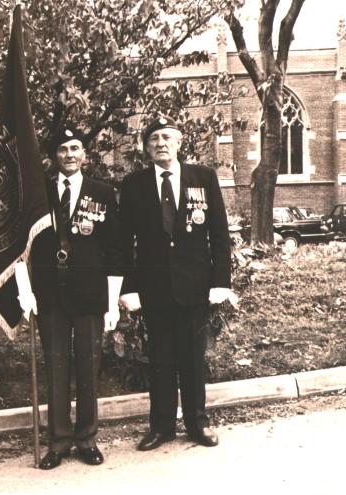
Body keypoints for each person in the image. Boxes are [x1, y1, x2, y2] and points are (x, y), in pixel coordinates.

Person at [118, 116, 235, 451]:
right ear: (146, 147)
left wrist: (220, 282)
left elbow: (219, 235)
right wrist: (129, 288)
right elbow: (125, 241)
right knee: (161, 359)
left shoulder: (203, 177)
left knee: (193, 360)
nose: (160, 143)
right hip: (154, 288)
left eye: (167, 137)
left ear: (180, 142)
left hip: (196, 287)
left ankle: (198, 423)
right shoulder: (134, 184)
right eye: (153, 138)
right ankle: (162, 426)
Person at [16, 127, 123, 469]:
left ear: (84, 154)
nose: (69, 155)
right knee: (56, 369)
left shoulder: (103, 193)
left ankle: (87, 438)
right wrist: (25, 291)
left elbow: (115, 251)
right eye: (62, 149)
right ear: (54, 156)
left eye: (75, 148)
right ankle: (59, 441)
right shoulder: (39, 194)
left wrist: (112, 301)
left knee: (88, 369)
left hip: (90, 295)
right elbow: (23, 249)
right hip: (50, 296)